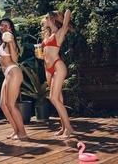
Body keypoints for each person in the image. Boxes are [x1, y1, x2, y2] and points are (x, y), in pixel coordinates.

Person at [0, 0, 27, 140]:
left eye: (6, 25)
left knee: (10, 104)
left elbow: (15, 59)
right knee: (3, 104)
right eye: (1, 25)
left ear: (10, 28)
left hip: (13, 71)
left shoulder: (11, 40)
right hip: (7, 74)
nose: (3, 27)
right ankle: (16, 130)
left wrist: (10, 41)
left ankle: (22, 132)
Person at [37, 10, 74, 139]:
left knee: (53, 98)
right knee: (59, 99)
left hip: (58, 67)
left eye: (46, 17)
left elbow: (67, 18)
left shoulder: (59, 33)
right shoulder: (47, 35)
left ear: (52, 19)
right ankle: (63, 126)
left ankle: (69, 128)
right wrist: (41, 55)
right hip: (48, 69)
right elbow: (46, 53)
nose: (44, 20)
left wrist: (61, 15)